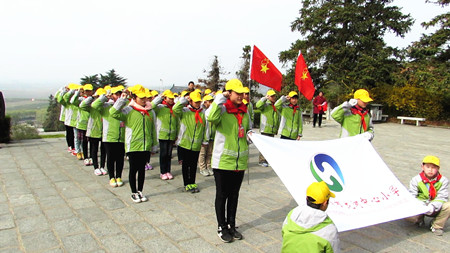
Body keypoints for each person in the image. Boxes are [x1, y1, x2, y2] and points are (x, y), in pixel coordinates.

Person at [207, 79, 251, 243]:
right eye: (237, 93)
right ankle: (221, 226)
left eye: (242, 93)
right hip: (223, 161)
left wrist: (251, 135)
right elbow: (210, 117)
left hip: (239, 161)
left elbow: (248, 129)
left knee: (234, 195)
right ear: (229, 93)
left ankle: (232, 225)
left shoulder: (244, 111)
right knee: (222, 195)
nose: (241, 96)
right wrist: (220, 97)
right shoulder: (222, 110)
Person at [110, 85, 157, 203]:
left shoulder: (150, 112)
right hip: (133, 146)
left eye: (145, 98)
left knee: (142, 170)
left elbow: (153, 130)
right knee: (133, 170)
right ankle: (133, 192)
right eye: (141, 98)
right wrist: (122, 99)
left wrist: (153, 145)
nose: (143, 100)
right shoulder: (128, 110)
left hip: (145, 146)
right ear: (134, 97)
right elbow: (113, 113)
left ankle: (140, 190)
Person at [282, 181, 340, 253]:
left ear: (307, 198)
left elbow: (284, 234)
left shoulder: (291, 215)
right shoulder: (329, 229)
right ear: (325, 203)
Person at [173, 90, 207, 193]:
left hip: (196, 144)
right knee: (185, 165)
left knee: (193, 165)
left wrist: (205, 140)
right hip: (185, 143)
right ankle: (186, 183)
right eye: (195, 101)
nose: (197, 104)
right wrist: (184, 99)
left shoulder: (203, 112)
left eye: (199, 102)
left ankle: (192, 182)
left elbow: (206, 128)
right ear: (191, 101)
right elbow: (175, 108)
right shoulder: (185, 111)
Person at [92, 85, 125, 188]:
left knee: (120, 158)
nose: (118, 96)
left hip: (122, 136)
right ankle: (111, 177)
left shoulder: (124, 105)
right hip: (109, 137)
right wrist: (105, 97)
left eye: (120, 94)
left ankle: (118, 176)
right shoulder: (106, 106)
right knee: (110, 158)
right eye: (116, 94)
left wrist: (125, 97)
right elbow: (94, 105)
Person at [408, 155, 449, 236]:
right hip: (421, 205)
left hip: (435, 206)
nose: (430, 170)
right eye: (428, 167)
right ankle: (419, 219)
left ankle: (436, 225)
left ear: (438, 169)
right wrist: (421, 205)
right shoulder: (416, 179)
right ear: (422, 167)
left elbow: (442, 197)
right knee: (407, 212)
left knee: (448, 206)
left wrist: (432, 206)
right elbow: (412, 195)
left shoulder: (443, 180)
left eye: (434, 167)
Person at [80, 87, 107, 176]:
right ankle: (96, 167)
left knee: (103, 150)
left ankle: (102, 166)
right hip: (93, 131)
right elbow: (82, 105)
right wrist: (91, 97)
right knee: (94, 150)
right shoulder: (92, 106)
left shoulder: (107, 106)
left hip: (104, 131)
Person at [151, 90, 178, 180]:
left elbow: (177, 122)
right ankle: (163, 172)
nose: (171, 100)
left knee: (169, 154)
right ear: (165, 98)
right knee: (163, 154)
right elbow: (152, 106)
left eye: (172, 98)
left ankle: (168, 171)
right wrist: (159, 97)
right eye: (169, 98)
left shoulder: (174, 108)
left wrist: (177, 134)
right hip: (163, 135)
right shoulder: (160, 108)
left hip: (172, 134)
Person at [255, 89, 280, 166]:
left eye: (274, 96)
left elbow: (276, 119)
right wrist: (264, 98)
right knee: (263, 146)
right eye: (272, 96)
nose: (273, 97)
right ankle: (262, 161)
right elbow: (258, 105)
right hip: (265, 129)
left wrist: (276, 128)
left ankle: (267, 159)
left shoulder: (274, 106)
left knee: (269, 146)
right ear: (268, 97)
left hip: (272, 130)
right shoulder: (265, 105)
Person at [198, 94, 215, 177]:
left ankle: (209, 166)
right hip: (204, 136)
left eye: (212, 101)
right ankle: (202, 168)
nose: (211, 103)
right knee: (202, 153)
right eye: (209, 101)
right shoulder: (203, 112)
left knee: (210, 153)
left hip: (212, 136)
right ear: (205, 102)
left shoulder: (213, 111)